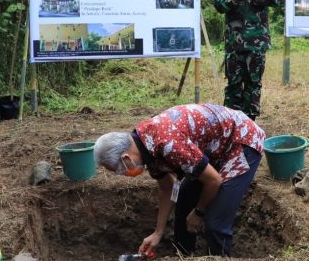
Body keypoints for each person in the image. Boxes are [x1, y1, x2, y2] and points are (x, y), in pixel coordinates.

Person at [94, 103, 265, 256]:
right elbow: (167, 188)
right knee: (183, 199)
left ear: (126, 158)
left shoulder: (168, 145)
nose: (123, 174)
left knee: (215, 223)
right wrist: (158, 233)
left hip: (240, 141)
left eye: (119, 170)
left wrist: (199, 212)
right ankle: (184, 255)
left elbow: (214, 181)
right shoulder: (146, 147)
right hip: (212, 149)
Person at [213, 0, 284, 121]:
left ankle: (249, 126)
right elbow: (218, 5)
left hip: (256, 42)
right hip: (233, 44)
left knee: (253, 84)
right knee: (233, 85)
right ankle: (231, 126)